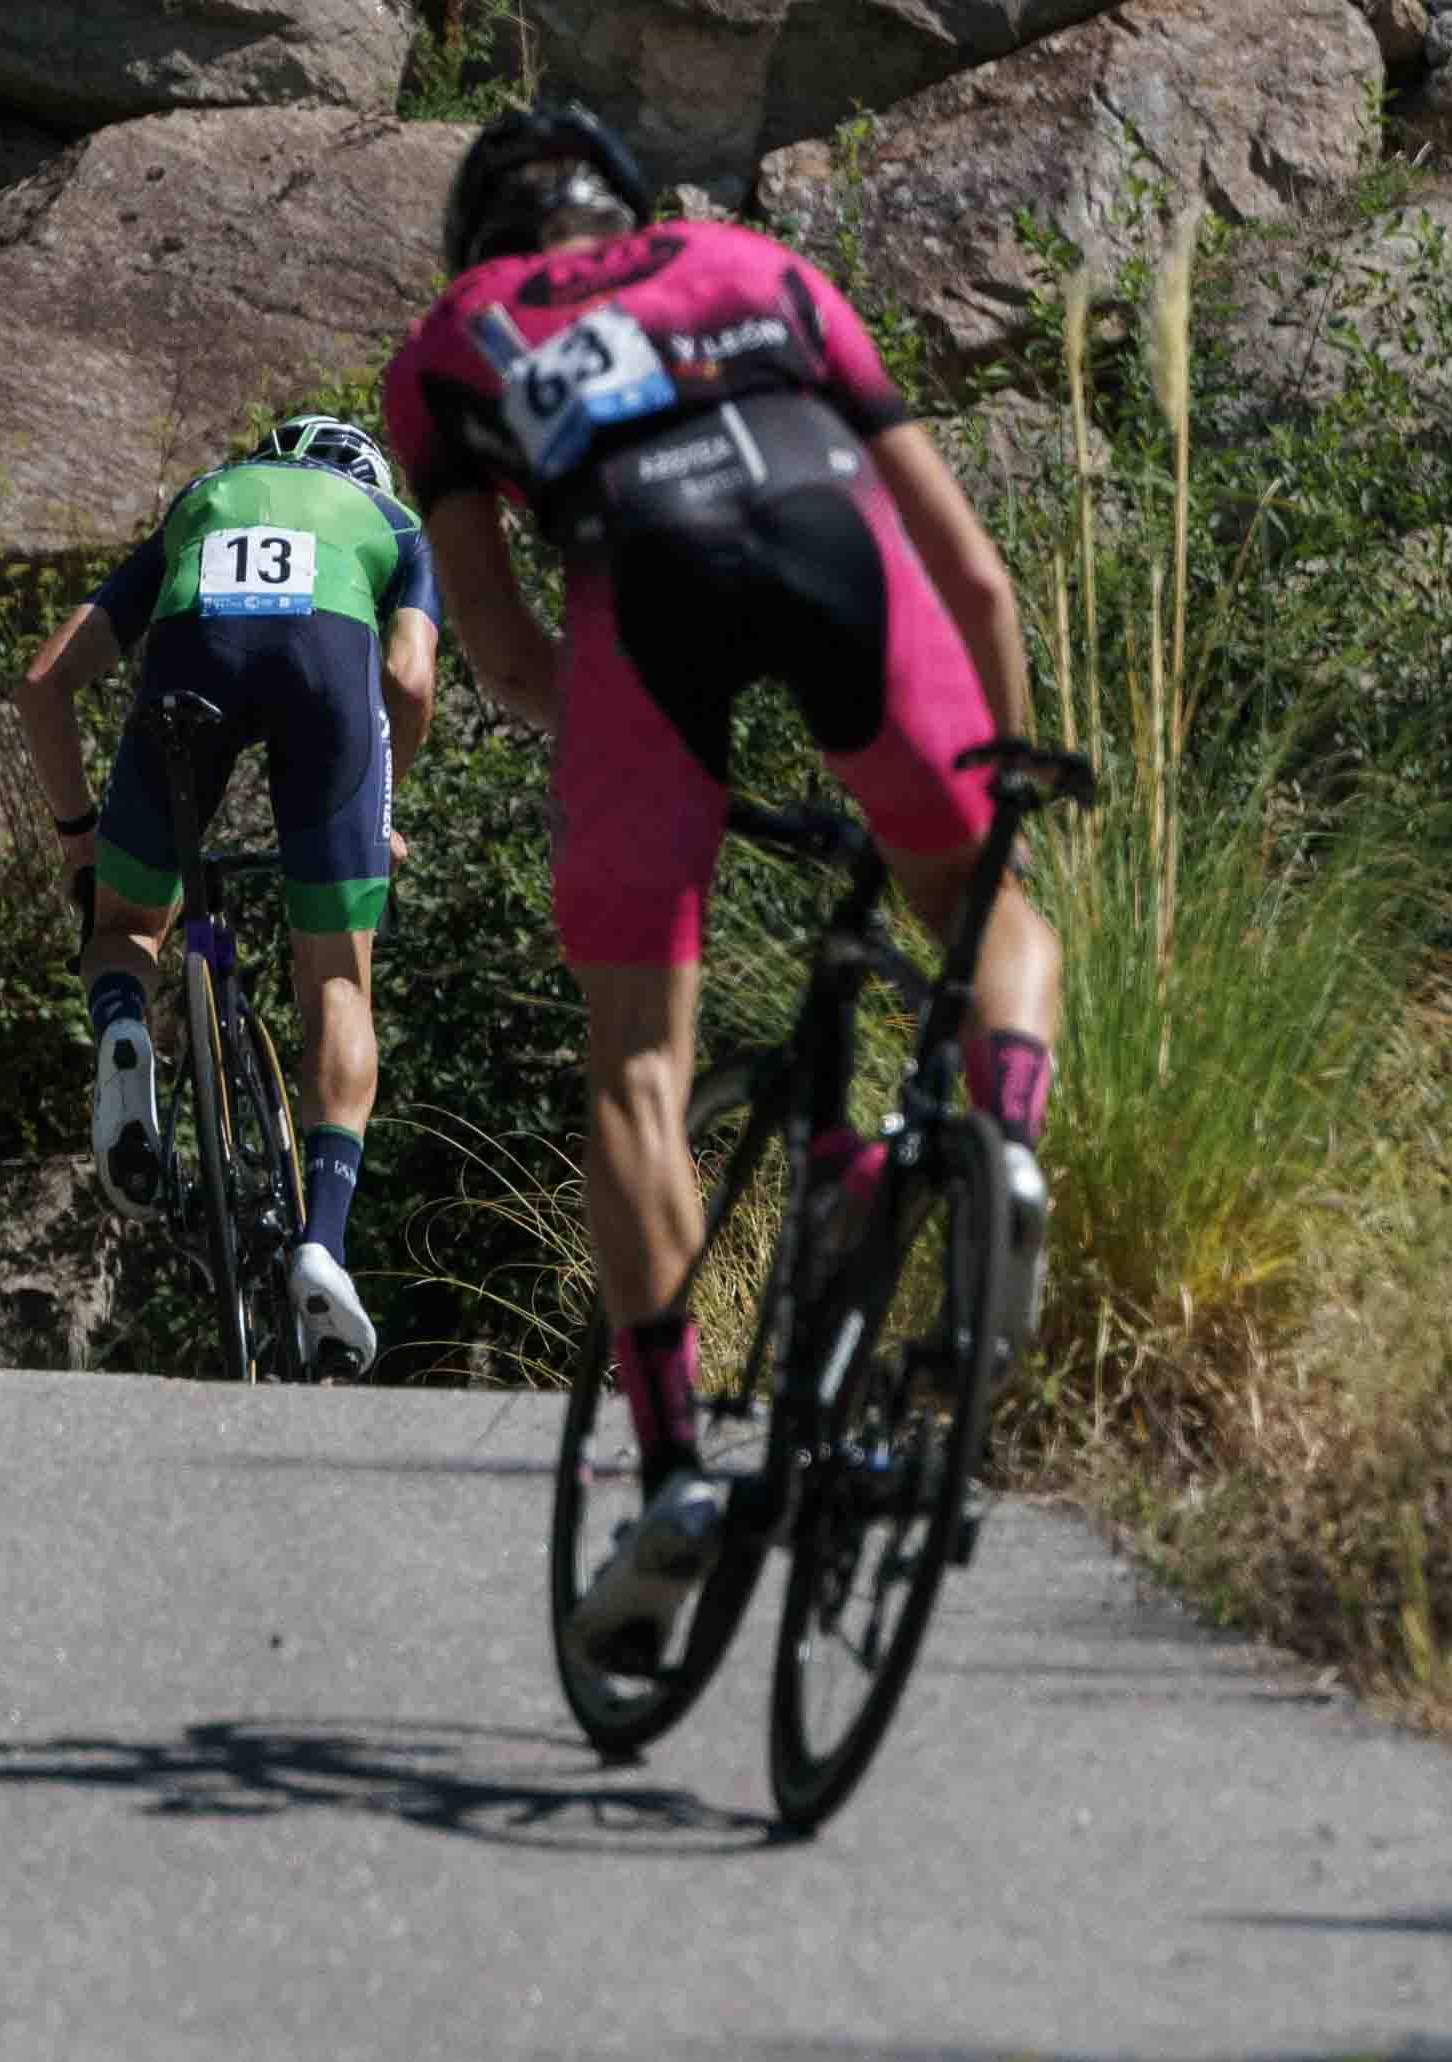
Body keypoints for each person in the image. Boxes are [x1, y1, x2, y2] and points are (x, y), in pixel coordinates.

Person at [378, 103, 1067, 1672]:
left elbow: (496, 653)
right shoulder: (759, 260)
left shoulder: (447, 342)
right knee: (987, 912)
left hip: (644, 587)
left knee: (635, 1064)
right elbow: (973, 574)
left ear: (486, 240)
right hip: (836, 540)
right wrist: (1002, 774)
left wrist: (643, 759)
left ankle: (680, 1466)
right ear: (625, 203)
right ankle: (1001, 1147)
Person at [14, 415, 440, 1375]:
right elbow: (407, 679)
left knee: (127, 928)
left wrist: (79, 837)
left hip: (189, 667)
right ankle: (322, 1241)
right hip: (330, 679)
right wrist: (384, 801)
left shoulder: (200, 501)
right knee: (336, 982)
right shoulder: (395, 522)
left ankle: (125, 1025)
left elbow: (43, 682)